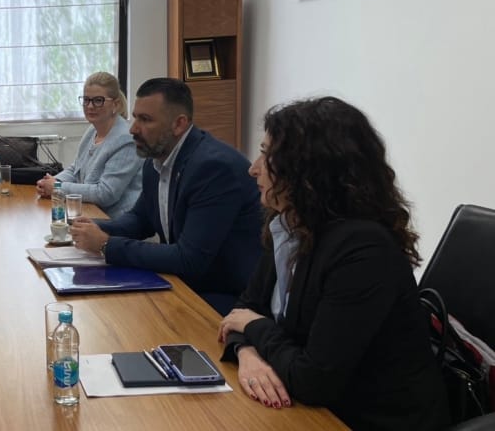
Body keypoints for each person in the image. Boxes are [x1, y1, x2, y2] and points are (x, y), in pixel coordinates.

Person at [217, 96, 448, 430]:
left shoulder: (363, 250)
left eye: (267, 155)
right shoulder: (290, 225)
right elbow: (243, 308)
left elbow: (314, 379)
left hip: (369, 420)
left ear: (309, 170)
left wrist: (254, 327)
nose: (254, 168)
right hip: (306, 408)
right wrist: (247, 354)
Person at [69, 77, 261, 315]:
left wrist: (106, 244)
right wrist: (91, 227)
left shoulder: (213, 168)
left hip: (224, 296)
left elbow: (189, 259)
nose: (133, 129)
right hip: (185, 283)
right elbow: (140, 220)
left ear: (179, 124)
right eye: (135, 117)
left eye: (145, 120)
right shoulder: (156, 159)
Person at [35, 72, 141, 219]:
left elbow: (106, 194)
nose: (90, 106)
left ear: (115, 104)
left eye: (98, 100)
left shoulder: (126, 140)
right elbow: (76, 169)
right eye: (86, 100)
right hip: (90, 213)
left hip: (116, 222)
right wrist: (52, 182)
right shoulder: (92, 130)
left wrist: (57, 188)